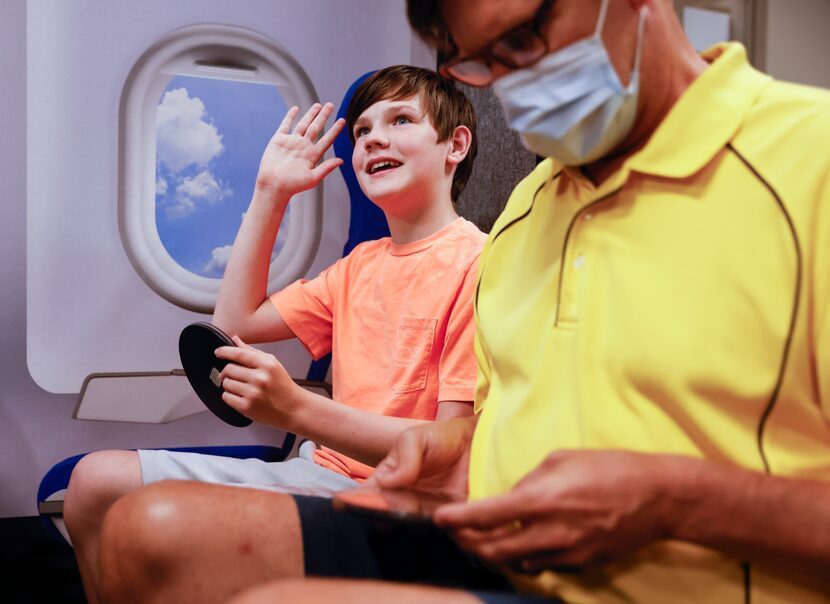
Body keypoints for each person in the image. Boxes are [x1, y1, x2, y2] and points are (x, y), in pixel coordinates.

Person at [97, 0, 830, 602]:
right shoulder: (528, 209)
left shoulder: (810, 162)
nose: (515, 81)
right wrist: (436, 449)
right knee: (148, 531)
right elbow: (482, 422)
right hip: (493, 540)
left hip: (664, 581)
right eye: (483, 61)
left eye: (523, 35)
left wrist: (672, 499)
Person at [63, 64, 486, 604]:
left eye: (401, 120)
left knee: (160, 525)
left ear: (455, 145)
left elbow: (450, 458)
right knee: (94, 485)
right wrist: (270, 191)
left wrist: (295, 411)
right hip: (315, 467)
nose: (375, 136)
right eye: (361, 132)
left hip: (398, 494)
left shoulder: (480, 266)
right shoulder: (357, 265)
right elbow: (234, 326)